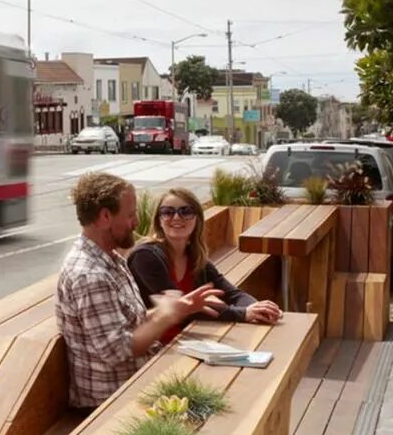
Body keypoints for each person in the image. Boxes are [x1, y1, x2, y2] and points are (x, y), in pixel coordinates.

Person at [55, 170, 223, 410]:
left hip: (139, 381)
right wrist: (166, 317)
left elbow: (129, 323)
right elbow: (117, 350)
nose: (136, 222)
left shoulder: (110, 258)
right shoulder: (90, 275)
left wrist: (177, 308)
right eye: (131, 214)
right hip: (113, 403)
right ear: (104, 217)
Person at [128, 186, 283, 344]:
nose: (176, 217)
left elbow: (232, 294)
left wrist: (257, 308)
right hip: (155, 347)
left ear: (197, 219)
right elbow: (182, 310)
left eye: (185, 211)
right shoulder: (146, 257)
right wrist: (243, 313)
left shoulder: (195, 257)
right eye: (168, 212)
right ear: (159, 220)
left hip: (192, 337)